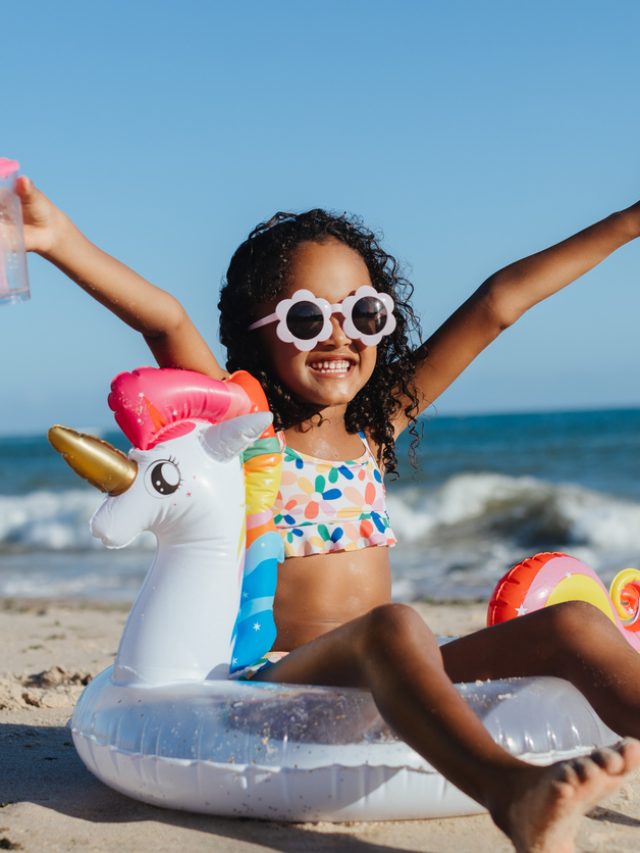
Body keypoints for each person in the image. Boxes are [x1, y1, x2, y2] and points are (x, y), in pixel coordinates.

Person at [18, 175, 640, 852]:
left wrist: (630, 220)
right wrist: (59, 240)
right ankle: (513, 793)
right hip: (278, 684)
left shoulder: (378, 427)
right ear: (258, 334)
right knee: (395, 625)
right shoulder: (244, 430)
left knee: (576, 623)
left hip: (394, 673)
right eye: (307, 319)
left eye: (364, 314)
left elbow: (499, 303)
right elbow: (162, 319)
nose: (339, 337)